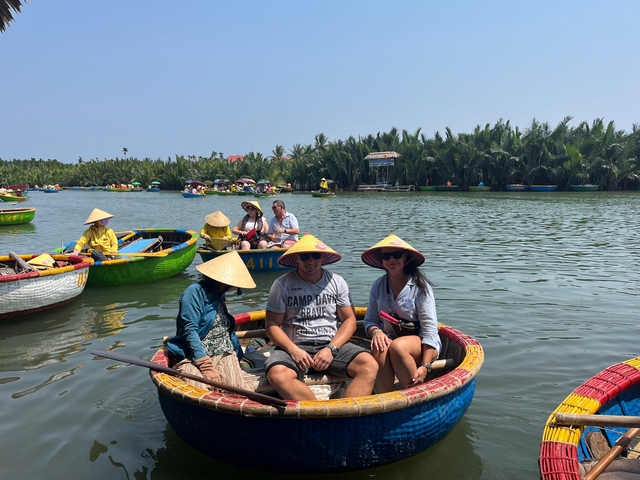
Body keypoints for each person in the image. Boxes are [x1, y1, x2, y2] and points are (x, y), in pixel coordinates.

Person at [264, 234, 378, 400]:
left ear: (323, 257)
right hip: (295, 346)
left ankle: (345, 415)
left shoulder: (337, 282)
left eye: (316, 256)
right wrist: (293, 350)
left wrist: (331, 349)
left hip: (331, 345)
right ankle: (318, 414)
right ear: (297, 258)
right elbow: (272, 324)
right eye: (305, 256)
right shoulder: (282, 284)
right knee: (277, 375)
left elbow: (349, 320)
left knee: (369, 365)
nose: (310, 261)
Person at [361, 234, 441, 393]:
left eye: (396, 255)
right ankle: (385, 398)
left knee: (398, 347)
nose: (391, 260)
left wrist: (425, 366)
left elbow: (430, 330)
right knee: (380, 346)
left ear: (405, 257)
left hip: (423, 345)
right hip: (392, 340)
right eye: (386, 256)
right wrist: (376, 332)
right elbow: (370, 320)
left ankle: (416, 393)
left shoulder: (420, 287)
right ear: (382, 260)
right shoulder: (378, 285)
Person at [166, 251, 256, 391]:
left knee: (237, 390)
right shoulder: (195, 292)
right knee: (202, 389)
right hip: (194, 354)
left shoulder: (219, 295)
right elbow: (189, 329)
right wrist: (205, 365)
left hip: (224, 350)